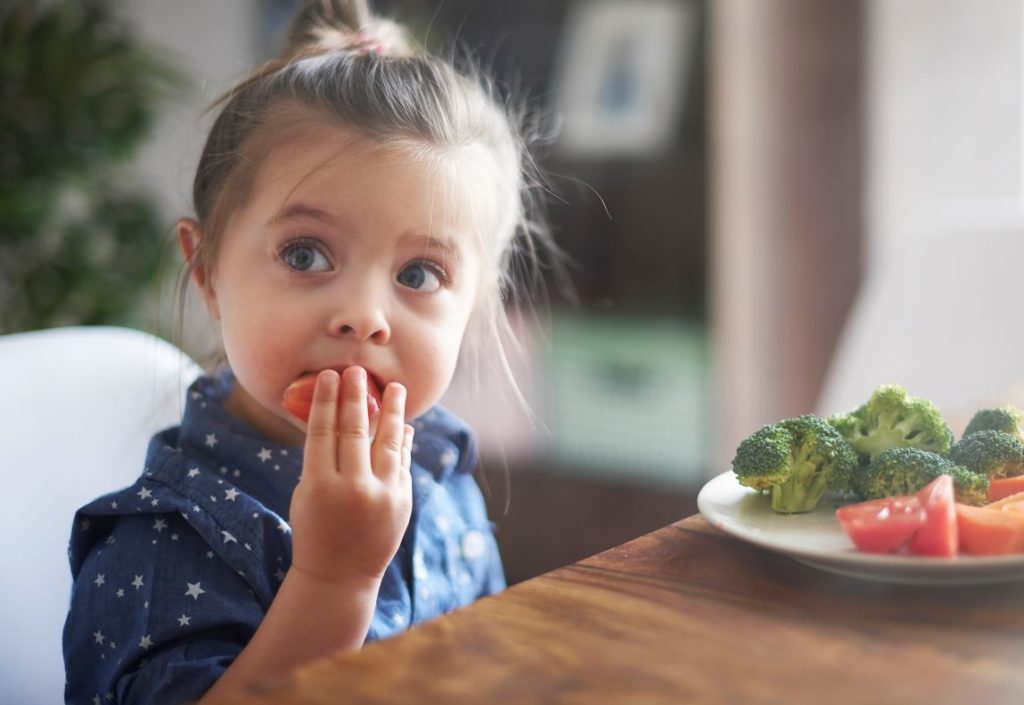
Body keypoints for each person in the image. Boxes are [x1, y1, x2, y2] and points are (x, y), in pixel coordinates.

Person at [62, 0, 559, 701]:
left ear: (474, 309)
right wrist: (335, 579)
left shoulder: (442, 470)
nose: (363, 316)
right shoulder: (160, 542)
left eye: (419, 274)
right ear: (206, 273)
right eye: (305, 253)